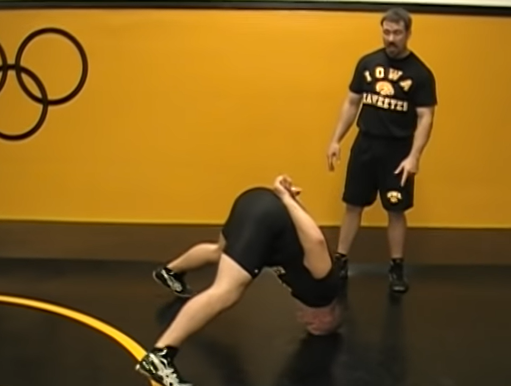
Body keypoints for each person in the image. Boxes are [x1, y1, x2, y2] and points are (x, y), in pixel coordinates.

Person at [135, 175, 343, 386]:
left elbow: (306, 234)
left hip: (254, 201)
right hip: (265, 219)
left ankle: (171, 271)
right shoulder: (324, 286)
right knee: (226, 291)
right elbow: (316, 240)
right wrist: (287, 199)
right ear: (327, 316)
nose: (305, 322)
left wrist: (289, 199)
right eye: (315, 325)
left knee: (220, 251)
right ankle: (160, 356)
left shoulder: (310, 292)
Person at [326, 7, 437, 293]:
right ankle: (340, 261)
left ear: (408, 33)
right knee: (353, 204)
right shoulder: (367, 63)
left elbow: (426, 117)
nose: (391, 38)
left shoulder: (420, 74)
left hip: (397, 151)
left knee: (396, 210)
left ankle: (397, 267)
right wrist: (336, 139)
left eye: (397, 33)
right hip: (365, 144)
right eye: (386, 32)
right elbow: (352, 103)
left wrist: (414, 156)